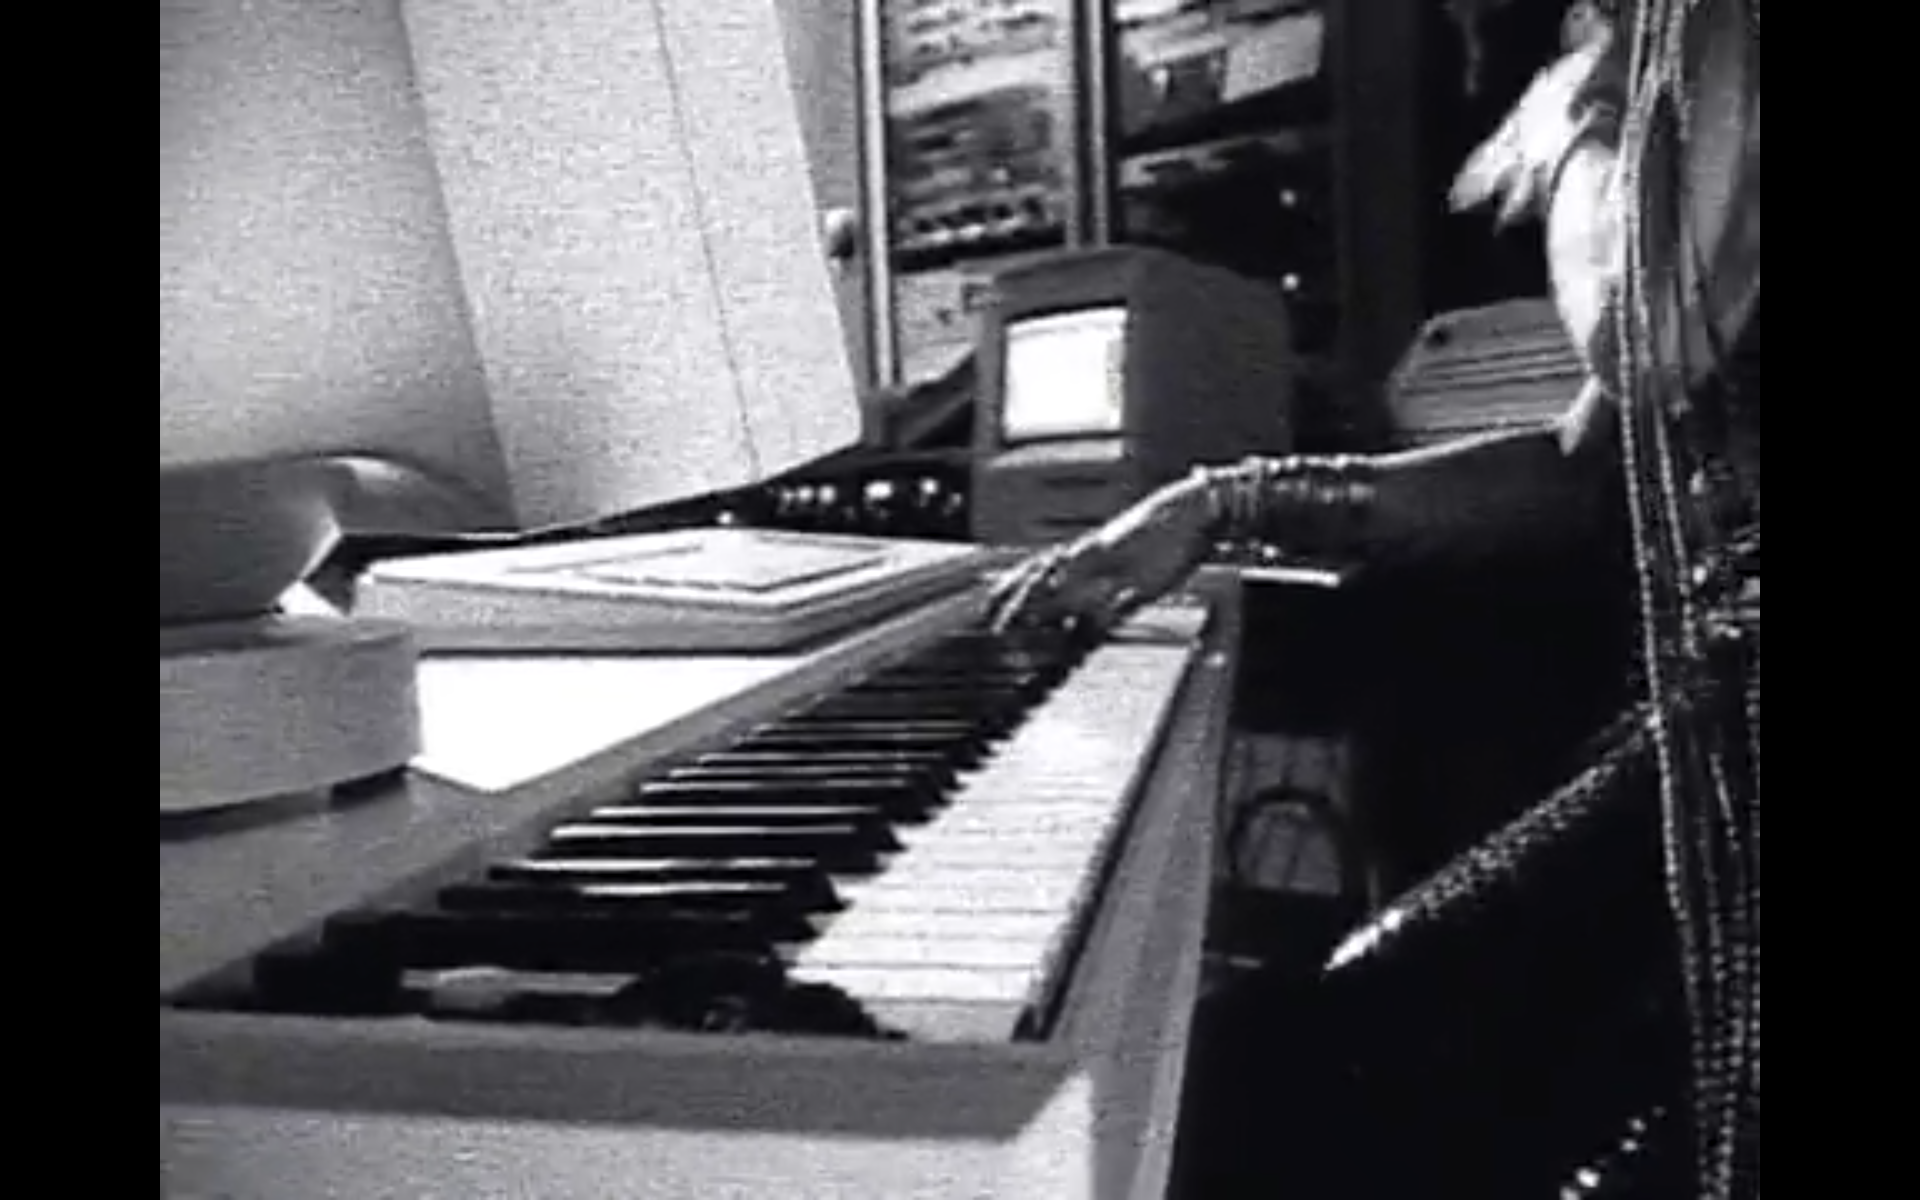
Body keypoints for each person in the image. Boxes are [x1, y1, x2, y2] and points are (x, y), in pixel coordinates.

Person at [991, 1, 1759, 1196]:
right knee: (1257, 1082)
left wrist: (1583, 122)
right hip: (1709, 750)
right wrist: (1222, 501)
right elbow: (1586, 466)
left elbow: (1641, 323)